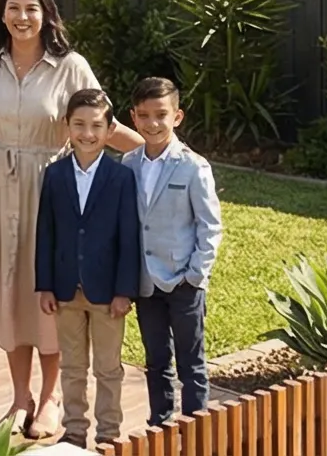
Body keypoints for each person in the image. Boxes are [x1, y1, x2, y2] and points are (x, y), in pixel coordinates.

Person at [0, 0, 139, 439]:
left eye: (31, 8)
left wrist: (158, 151)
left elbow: (103, 125)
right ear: (1, 14)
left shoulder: (70, 66)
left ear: (46, 15)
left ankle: (49, 399)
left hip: (52, 190)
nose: (22, 17)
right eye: (13, 8)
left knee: (47, 288)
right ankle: (19, 397)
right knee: (9, 289)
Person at [34, 87, 141, 449]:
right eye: (79, 124)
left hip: (107, 292)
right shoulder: (55, 175)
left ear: (110, 130)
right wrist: (45, 285)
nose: (87, 133)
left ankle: (109, 433)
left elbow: (129, 239)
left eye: (96, 125)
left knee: (108, 368)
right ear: (67, 126)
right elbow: (44, 233)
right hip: (65, 290)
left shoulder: (122, 177)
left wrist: (124, 291)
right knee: (73, 365)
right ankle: (75, 429)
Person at [125, 76, 222, 427]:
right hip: (146, 284)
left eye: (161, 115)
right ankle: (160, 425)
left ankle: (197, 430)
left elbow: (209, 226)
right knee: (156, 360)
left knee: (191, 362)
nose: (153, 123)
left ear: (176, 117)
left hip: (183, 281)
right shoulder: (129, 164)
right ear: (134, 117)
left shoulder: (193, 166)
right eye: (145, 115)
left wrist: (195, 275)